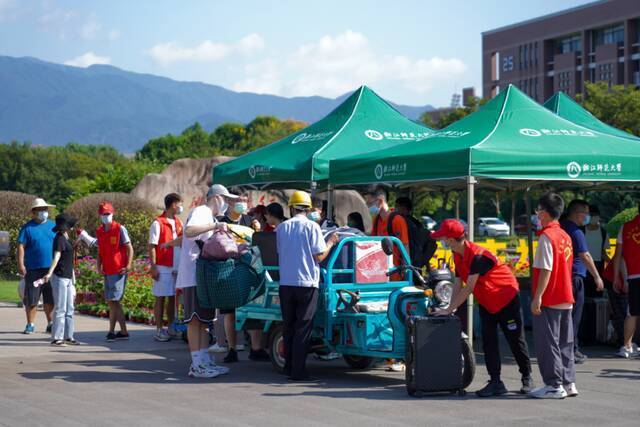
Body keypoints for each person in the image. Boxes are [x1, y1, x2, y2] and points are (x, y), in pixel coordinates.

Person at [432, 219, 533, 397]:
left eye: (443, 238)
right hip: (487, 302)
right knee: (489, 343)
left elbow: (469, 287)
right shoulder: (457, 254)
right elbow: (458, 283)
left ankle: (527, 377)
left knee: (515, 340)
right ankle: (496, 382)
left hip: (506, 300)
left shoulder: (478, 256)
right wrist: (450, 307)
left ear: (451, 240)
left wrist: (449, 309)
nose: (441, 241)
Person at [277, 190, 338, 382]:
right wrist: (331, 242)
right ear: (308, 208)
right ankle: (299, 372)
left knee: (288, 326)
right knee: (303, 327)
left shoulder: (281, 227)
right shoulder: (312, 227)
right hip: (307, 283)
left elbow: (281, 253)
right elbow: (319, 256)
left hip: (286, 282)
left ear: (292, 208)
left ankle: (288, 368)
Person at [175, 184, 234, 378]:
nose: (226, 204)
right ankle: (197, 364)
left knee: (203, 321)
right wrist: (215, 226)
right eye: (225, 199)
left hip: (201, 275)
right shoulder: (201, 211)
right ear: (216, 198)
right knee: (194, 320)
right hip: (193, 275)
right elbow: (190, 231)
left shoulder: (209, 215)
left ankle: (203, 359)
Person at [529, 193, 577, 399]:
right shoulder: (565, 235)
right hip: (566, 295)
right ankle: (569, 382)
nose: (537, 214)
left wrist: (537, 296)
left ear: (545, 212)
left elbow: (546, 269)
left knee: (548, 343)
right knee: (565, 342)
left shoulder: (546, 237)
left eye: (538, 210)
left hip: (551, 297)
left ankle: (553, 384)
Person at [215, 194, 268, 363]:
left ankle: (256, 348)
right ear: (230, 202)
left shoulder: (250, 220)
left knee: (253, 308)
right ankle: (232, 349)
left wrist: (258, 231)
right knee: (229, 311)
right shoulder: (221, 221)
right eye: (239, 201)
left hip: (249, 270)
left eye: (245, 201)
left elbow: (258, 245)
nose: (242, 204)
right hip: (229, 269)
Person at [560, 199, 604, 363]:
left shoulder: (561, 227)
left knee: (565, 315)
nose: (587, 217)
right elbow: (585, 255)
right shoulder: (576, 232)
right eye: (586, 214)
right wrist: (597, 276)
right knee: (574, 316)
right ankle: (572, 349)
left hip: (565, 277)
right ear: (578, 213)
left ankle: (568, 348)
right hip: (576, 277)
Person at [96, 202, 134, 342]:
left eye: (108, 214)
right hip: (107, 270)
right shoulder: (100, 231)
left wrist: (128, 265)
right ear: (100, 215)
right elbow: (100, 251)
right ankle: (122, 332)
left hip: (118, 270)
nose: (106, 216)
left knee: (115, 301)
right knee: (112, 302)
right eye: (103, 214)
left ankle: (113, 331)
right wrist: (98, 265)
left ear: (112, 214)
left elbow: (129, 248)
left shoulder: (119, 229)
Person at [17, 198, 56, 334]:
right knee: (32, 298)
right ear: (34, 212)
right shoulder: (27, 228)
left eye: (44, 209)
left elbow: (60, 245)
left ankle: (50, 323)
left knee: (49, 297)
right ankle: (30, 324)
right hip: (33, 269)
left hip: (50, 269)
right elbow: (21, 246)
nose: (43, 212)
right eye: (40, 210)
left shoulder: (53, 226)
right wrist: (21, 264)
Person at [149, 193, 183, 342]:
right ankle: (158, 329)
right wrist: (154, 267)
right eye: (180, 203)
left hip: (176, 266)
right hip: (162, 266)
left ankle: (170, 327)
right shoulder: (158, 222)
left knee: (172, 297)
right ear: (173, 205)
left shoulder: (178, 222)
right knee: (160, 298)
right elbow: (152, 246)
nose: (181, 206)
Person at [43, 213, 79, 346]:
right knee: (61, 308)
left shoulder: (65, 238)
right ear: (66, 226)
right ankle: (57, 337)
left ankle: (69, 336)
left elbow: (68, 257)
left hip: (68, 277)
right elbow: (56, 258)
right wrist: (49, 273)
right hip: (60, 277)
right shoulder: (59, 239)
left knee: (69, 307)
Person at [612, 200, 640, 358]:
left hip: (633, 275)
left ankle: (627, 346)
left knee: (632, 312)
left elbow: (618, 254)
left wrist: (617, 277)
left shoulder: (626, 226)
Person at [583, 205, 610, 297]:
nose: (593, 217)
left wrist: (613, 264)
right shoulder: (581, 231)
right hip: (583, 267)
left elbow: (603, 253)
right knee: (584, 296)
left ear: (599, 216)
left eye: (595, 215)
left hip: (598, 267)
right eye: (591, 214)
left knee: (597, 295)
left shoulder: (603, 233)